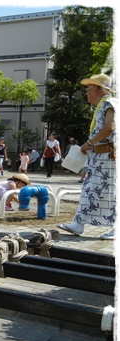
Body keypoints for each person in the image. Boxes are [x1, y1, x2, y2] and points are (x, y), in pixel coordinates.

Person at [57, 73, 116, 240]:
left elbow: (109, 127)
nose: (87, 92)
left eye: (89, 88)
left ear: (97, 89)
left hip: (108, 156)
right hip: (99, 157)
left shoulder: (110, 103)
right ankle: (79, 223)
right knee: (90, 189)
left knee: (110, 192)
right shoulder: (104, 105)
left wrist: (89, 143)